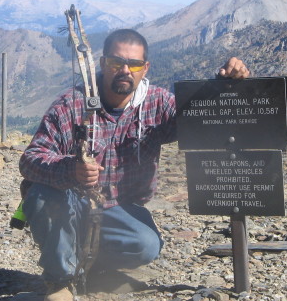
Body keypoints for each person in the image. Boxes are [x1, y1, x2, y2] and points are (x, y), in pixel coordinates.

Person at [19, 29, 250, 301]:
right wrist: (70, 169)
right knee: (42, 195)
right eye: (116, 63)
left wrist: (227, 83)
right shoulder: (70, 104)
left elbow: (199, 119)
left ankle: (91, 267)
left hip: (121, 207)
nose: (125, 70)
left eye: (135, 64)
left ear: (145, 67)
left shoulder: (158, 103)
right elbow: (30, 160)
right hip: (72, 201)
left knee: (145, 245)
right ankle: (59, 281)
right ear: (103, 63)